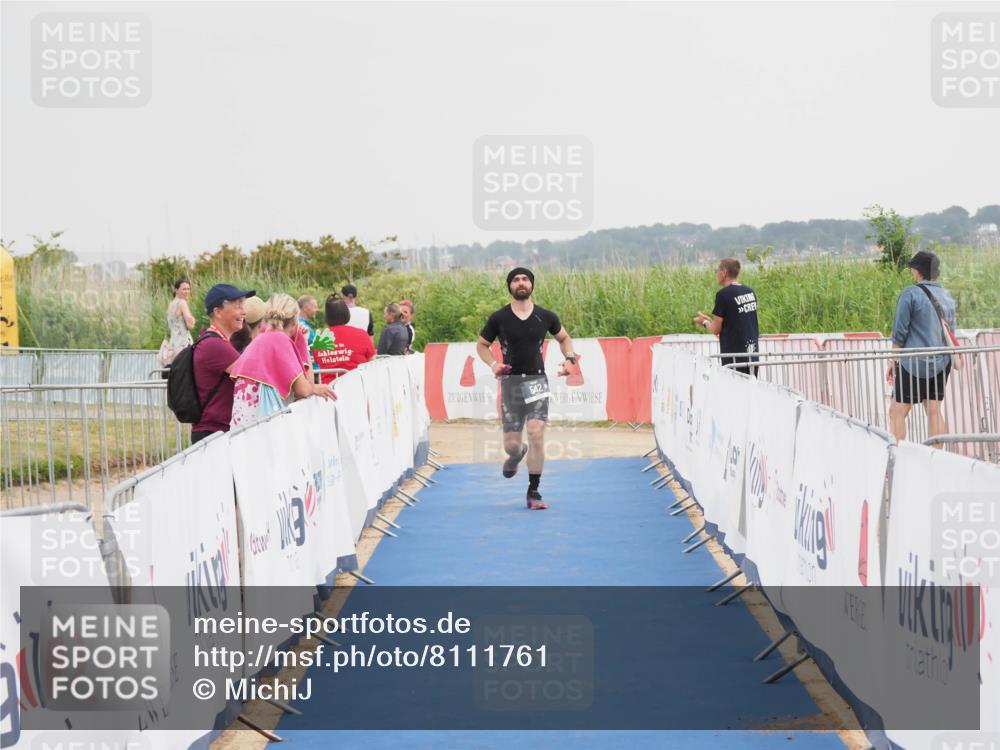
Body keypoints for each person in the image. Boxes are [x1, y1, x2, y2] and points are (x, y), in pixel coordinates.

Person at [476, 267, 577, 510]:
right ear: (510, 286)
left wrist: (570, 359)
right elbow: (482, 345)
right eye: (516, 280)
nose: (521, 283)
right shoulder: (499, 318)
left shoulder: (546, 316)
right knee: (511, 444)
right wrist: (493, 364)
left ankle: (534, 491)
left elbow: (564, 338)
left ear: (532, 284)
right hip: (511, 384)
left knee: (536, 432)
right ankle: (516, 453)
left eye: (525, 279)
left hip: (536, 381)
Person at [229, 294, 336, 428]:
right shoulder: (280, 339)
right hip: (259, 424)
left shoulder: (262, 338)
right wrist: (314, 387)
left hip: (244, 425)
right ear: (294, 321)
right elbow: (303, 389)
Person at [888, 250, 957, 442]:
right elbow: (951, 331)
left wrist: (893, 361)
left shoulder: (911, 293)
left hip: (913, 362)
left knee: (897, 411)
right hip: (942, 362)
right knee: (934, 411)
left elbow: (899, 331)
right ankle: (937, 459)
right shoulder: (947, 296)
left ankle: (896, 456)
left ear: (918, 271)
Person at [190, 284, 254, 444]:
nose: (244, 312)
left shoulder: (213, 340)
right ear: (218, 312)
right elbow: (256, 376)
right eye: (237, 306)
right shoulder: (215, 345)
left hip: (214, 432)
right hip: (214, 434)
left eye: (243, 305)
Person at [693, 258, 759, 376]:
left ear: (724, 272)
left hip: (733, 357)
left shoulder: (723, 295)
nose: (716, 273)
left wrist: (704, 322)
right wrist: (710, 321)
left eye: (716, 270)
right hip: (752, 354)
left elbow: (715, 329)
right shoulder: (750, 292)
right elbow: (736, 321)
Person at [311, 295, 376, 384]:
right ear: (346, 313)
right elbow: (372, 363)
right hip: (357, 388)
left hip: (329, 391)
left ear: (327, 317)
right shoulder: (361, 334)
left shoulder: (319, 337)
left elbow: (317, 361)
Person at [158, 277, 195, 367]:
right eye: (184, 289)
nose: (186, 292)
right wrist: (193, 320)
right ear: (176, 290)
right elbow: (190, 325)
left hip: (173, 345)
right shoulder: (182, 303)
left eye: (188, 289)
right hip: (183, 344)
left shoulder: (171, 304)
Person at [297, 294, 319, 373]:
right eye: (315, 307)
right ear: (305, 308)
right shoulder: (304, 327)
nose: (317, 309)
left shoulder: (300, 323)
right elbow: (317, 345)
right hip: (312, 369)